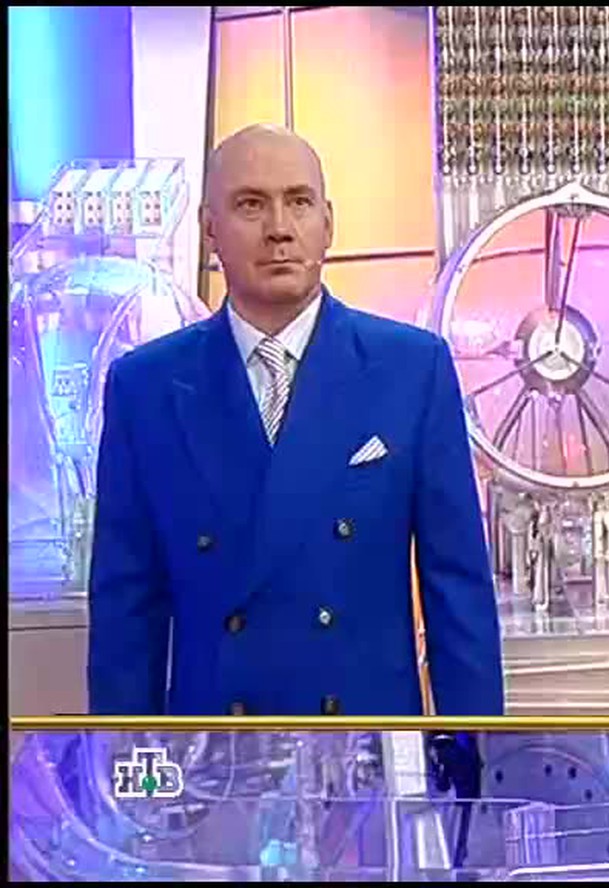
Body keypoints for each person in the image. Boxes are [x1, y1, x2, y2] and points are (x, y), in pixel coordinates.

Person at [87, 124, 505, 716]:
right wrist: (126, 764)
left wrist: (473, 753)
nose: (279, 228)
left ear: (327, 224)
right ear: (209, 229)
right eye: (251, 204)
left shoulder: (412, 369)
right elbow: (126, 613)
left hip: (366, 744)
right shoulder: (145, 387)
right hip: (218, 750)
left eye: (299, 202)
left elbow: (457, 591)